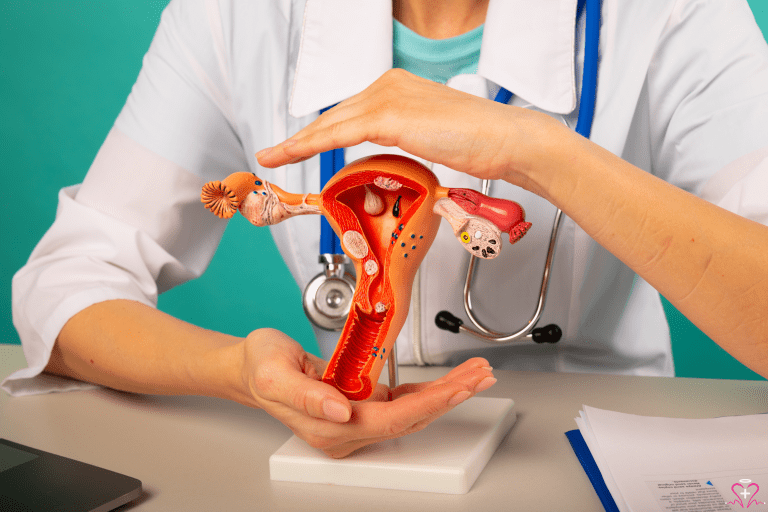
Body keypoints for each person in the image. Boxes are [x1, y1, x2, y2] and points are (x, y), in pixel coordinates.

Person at [5, 0, 768, 459]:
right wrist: (242, 374)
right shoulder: (239, 15)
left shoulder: (675, 13)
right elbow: (67, 285)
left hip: (594, 450)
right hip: (350, 471)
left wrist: (538, 152)